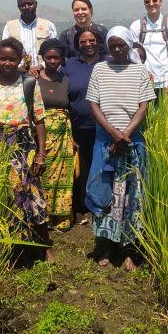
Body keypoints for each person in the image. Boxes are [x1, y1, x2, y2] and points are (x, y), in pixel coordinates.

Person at [85, 26, 156, 271]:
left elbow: (143, 107)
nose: (117, 49)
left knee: (131, 196)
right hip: (106, 142)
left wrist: (124, 135)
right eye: (112, 45)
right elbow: (94, 105)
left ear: (128, 45)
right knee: (105, 192)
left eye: (121, 45)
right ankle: (105, 245)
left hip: (131, 142)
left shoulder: (139, 71)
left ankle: (129, 249)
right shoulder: (100, 69)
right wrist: (113, 133)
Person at [0, 37, 53, 262]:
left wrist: (41, 155)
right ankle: (12, 248)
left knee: (33, 193)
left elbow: (40, 120)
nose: (7, 63)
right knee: (7, 195)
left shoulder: (28, 83)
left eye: (12, 59)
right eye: (2, 58)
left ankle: (45, 246)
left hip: (24, 145)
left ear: (19, 60)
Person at [61, 28, 105, 225]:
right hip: (78, 125)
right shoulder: (70, 65)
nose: (88, 44)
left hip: (103, 126)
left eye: (92, 40)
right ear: (77, 44)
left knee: (101, 165)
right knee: (82, 167)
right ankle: (82, 206)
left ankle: (101, 203)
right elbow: (53, 77)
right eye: (83, 41)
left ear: (98, 42)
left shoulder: (108, 62)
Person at [35, 39, 75, 231]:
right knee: (43, 175)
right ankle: (44, 216)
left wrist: (71, 137)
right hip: (40, 134)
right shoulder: (32, 78)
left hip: (63, 136)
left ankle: (61, 217)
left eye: (56, 57)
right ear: (42, 58)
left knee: (63, 176)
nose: (52, 61)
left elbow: (69, 109)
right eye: (49, 57)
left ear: (62, 59)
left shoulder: (65, 80)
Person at [129, 0, 168, 97]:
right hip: (144, 82)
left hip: (165, 81)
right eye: (147, 1)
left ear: (161, 2)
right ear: (144, 4)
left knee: (166, 114)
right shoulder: (136, 26)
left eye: (154, 0)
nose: (151, 3)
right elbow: (134, 56)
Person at [2, 0, 57, 69]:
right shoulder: (9, 27)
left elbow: (54, 52)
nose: (27, 7)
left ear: (36, 4)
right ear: (18, 7)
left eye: (30, 4)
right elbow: (5, 53)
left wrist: (41, 66)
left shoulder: (48, 26)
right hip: (17, 74)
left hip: (42, 73)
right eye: (23, 5)